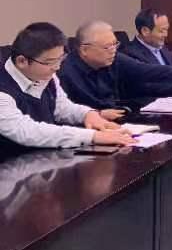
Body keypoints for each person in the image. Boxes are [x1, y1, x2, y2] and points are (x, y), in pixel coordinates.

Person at [0, 22, 135, 158]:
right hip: (10, 163)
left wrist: (88, 114)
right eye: (50, 62)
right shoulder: (3, 91)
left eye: (60, 59)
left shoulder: (46, 74)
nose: (57, 67)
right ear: (22, 61)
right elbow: (27, 132)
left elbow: (62, 108)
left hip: (43, 158)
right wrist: (92, 136)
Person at [59, 21, 172, 113]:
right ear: (84, 50)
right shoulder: (66, 73)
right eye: (107, 47)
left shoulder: (113, 58)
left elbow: (144, 70)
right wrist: (99, 114)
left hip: (117, 118)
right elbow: (65, 112)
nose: (113, 51)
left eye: (115, 44)